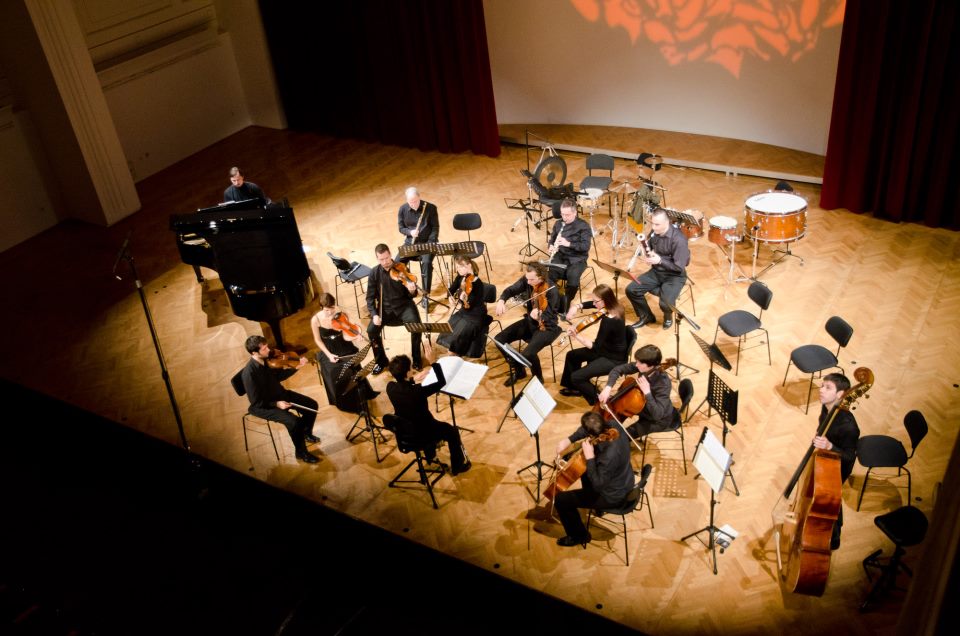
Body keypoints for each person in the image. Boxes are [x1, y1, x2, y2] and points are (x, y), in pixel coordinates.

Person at [552, 412, 635, 547]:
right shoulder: (614, 425)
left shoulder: (608, 456)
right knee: (585, 471)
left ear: (592, 434)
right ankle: (597, 508)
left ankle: (579, 536)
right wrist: (568, 440)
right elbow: (587, 428)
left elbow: (598, 486)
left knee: (561, 500)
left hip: (612, 496)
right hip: (624, 480)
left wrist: (590, 458)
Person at [386, 350, 471, 475]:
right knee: (452, 432)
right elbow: (441, 382)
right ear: (407, 372)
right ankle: (458, 467)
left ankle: (430, 455)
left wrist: (413, 379)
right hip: (424, 433)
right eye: (410, 368)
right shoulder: (418, 391)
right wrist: (433, 362)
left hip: (405, 433)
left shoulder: (390, 387)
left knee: (421, 422)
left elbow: (403, 386)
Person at [240, 335, 320, 464]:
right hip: (265, 405)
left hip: (279, 394)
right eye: (264, 349)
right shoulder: (249, 374)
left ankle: (306, 433)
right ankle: (301, 453)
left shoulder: (267, 360)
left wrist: (296, 367)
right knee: (294, 422)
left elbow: (278, 377)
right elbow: (256, 401)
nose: (269, 350)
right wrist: (276, 404)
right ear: (254, 353)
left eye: (267, 346)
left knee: (312, 406)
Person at [811, 373, 861, 550]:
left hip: (839, 466)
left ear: (840, 394)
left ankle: (835, 536)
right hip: (827, 458)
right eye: (822, 385)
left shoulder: (848, 426)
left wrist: (829, 445)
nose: (821, 390)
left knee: (833, 498)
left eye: (828, 388)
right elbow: (822, 425)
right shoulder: (827, 407)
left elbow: (850, 457)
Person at [494, 263, 562, 386]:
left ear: (541, 278)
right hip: (530, 322)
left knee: (528, 353)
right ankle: (519, 370)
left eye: (531, 279)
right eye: (527, 278)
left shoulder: (552, 290)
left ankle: (538, 379)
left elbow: (550, 314)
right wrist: (502, 300)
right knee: (499, 339)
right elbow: (511, 290)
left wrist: (540, 315)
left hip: (547, 327)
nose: (528, 282)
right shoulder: (528, 280)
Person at [558, 284, 628, 405]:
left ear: (605, 300)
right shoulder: (616, 305)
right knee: (572, 355)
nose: (594, 304)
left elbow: (596, 348)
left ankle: (600, 400)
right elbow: (593, 303)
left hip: (613, 358)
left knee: (577, 376)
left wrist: (576, 335)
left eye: (596, 301)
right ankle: (574, 388)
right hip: (608, 348)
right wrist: (577, 306)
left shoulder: (609, 320)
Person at [310, 293, 377, 413]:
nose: (330, 313)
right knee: (336, 372)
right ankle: (348, 404)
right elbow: (318, 340)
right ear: (321, 307)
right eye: (326, 310)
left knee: (353, 367)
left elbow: (346, 336)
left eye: (332, 308)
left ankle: (361, 397)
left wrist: (355, 337)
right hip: (329, 350)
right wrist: (329, 355)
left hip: (344, 346)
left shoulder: (341, 314)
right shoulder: (316, 320)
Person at [625, 207, 690, 329]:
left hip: (674, 276)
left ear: (667, 222)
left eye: (657, 224)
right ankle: (646, 316)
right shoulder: (655, 232)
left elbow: (679, 268)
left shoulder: (679, 240)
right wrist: (646, 253)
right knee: (631, 289)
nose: (653, 227)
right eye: (652, 223)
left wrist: (659, 260)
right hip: (656, 272)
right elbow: (649, 247)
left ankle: (668, 317)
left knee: (665, 304)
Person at [366, 243, 422, 375]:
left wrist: (412, 290)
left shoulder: (401, 268)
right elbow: (369, 298)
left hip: (404, 306)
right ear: (377, 259)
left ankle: (416, 359)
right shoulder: (374, 273)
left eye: (386, 258)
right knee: (371, 331)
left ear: (390, 254)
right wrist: (374, 314)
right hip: (385, 310)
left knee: (417, 327)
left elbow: (411, 295)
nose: (385, 262)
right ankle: (381, 361)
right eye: (381, 259)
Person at [598, 344, 674, 441]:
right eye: (637, 361)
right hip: (640, 406)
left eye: (640, 363)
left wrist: (647, 392)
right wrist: (608, 388)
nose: (636, 365)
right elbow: (617, 370)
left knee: (621, 438)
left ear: (651, 365)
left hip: (657, 419)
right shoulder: (644, 366)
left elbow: (657, 414)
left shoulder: (663, 384)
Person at [436, 256, 488, 358]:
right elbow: (451, 289)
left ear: (469, 266)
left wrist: (463, 300)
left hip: (475, 316)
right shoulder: (460, 278)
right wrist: (450, 296)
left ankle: (455, 355)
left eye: (460, 267)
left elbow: (469, 304)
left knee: (458, 341)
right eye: (457, 267)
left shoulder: (477, 283)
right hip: (463, 313)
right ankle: (453, 353)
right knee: (449, 333)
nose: (457, 270)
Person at [397, 187, 440, 309]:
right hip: (410, 243)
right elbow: (401, 228)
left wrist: (430, 243)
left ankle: (426, 295)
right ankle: (410, 286)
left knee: (426, 263)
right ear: (407, 200)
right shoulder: (402, 209)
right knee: (396, 263)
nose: (413, 204)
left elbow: (435, 228)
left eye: (415, 201)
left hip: (427, 243)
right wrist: (410, 232)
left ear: (419, 197)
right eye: (410, 202)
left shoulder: (430, 208)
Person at [546, 198, 593, 311]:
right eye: (562, 214)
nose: (564, 217)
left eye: (567, 215)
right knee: (548, 275)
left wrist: (568, 244)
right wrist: (551, 246)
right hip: (560, 256)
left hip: (577, 259)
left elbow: (585, 247)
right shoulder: (558, 224)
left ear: (575, 213)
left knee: (573, 279)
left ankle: (565, 304)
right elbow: (552, 239)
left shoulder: (583, 226)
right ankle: (553, 299)